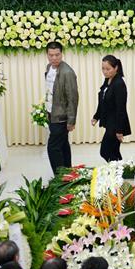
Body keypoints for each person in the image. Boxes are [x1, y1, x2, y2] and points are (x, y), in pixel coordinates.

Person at [44, 42, 79, 175]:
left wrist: (71, 121)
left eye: (57, 55)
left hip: (61, 117)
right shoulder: (49, 67)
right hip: (51, 113)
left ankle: (60, 177)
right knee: (63, 144)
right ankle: (68, 174)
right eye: (51, 55)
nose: (54, 58)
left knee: (53, 147)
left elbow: (73, 98)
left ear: (62, 54)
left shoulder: (67, 72)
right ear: (47, 54)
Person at [91, 55, 130, 163]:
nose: (105, 71)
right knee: (114, 151)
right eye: (103, 68)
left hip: (116, 123)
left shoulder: (119, 84)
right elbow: (102, 100)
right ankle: (119, 171)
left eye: (108, 69)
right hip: (109, 122)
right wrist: (96, 116)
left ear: (116, 68)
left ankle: (117, 170)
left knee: (105, 151)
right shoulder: (108, 80)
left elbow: (121, 108)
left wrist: (119, 130)